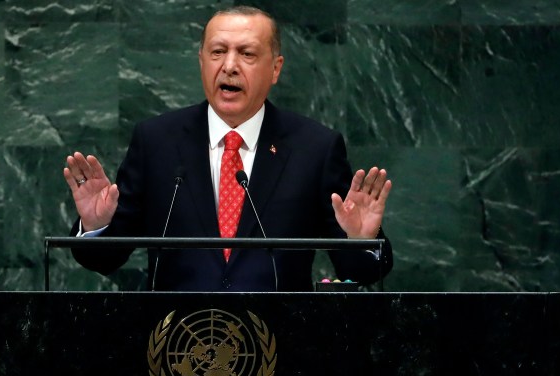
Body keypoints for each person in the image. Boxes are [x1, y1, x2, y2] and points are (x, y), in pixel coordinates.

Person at [63, 5, 393, 292]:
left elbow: (359, 271)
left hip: (278, 347)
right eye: (218, 52)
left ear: (276, 68)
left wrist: (362, 242)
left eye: (246, 54)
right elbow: (106, 258)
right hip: (175, 346)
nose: (229, 66)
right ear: (202, 62)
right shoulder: (156, 141)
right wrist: (96, 227)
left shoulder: (315, 148)